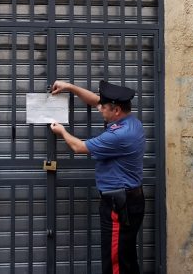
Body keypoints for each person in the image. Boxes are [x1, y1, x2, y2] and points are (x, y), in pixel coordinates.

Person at [49, 79, 145, 274]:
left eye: (104, 107)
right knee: (126, 257)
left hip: (119, 206)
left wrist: (62, 132)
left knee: (115, 261)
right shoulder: (132, 121)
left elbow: (78, 147)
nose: (99, 108)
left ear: (116, 110)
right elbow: (96, 101)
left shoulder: (120, 135)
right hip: (130, 200)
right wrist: (69, 87)